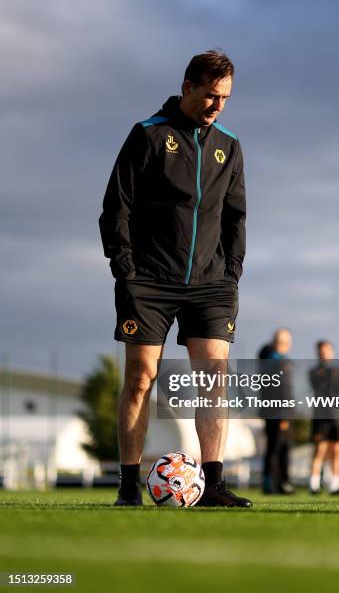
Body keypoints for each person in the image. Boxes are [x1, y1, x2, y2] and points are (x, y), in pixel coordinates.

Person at [99, 49, 251, 507]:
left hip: (212, 283)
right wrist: (126, 270)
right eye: (209, 95)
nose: (216, 105)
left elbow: (235, 217)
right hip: (149, 280)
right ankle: (129, 486)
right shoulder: (147, 135)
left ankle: (214, 484)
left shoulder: (229, 145)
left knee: (213, 377)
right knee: (141, 377)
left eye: (224, 97)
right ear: (187, 87)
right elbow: (116, 208)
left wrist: (231, 273)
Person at [258, 328, 295, 494]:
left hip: (274, 410)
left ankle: (278, 483)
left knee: (278, 448)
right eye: (286, 342)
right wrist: (284, 413)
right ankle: (276, 483)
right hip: (278, 411)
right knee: (277, 448)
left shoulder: (272, 359)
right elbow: (280, 390)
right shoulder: (275, 361)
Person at [309, 340, 339, 495]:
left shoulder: (338, 371)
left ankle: (335, 486)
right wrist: (331, 377)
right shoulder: (313, 372)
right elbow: (320, 387)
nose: (324, 353)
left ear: (331, 352)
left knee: (337, 450)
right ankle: (314, 486)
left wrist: (333, 377)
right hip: (320, 416)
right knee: (320, 449)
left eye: (327, 350)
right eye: (321, 351)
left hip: (335, 416)